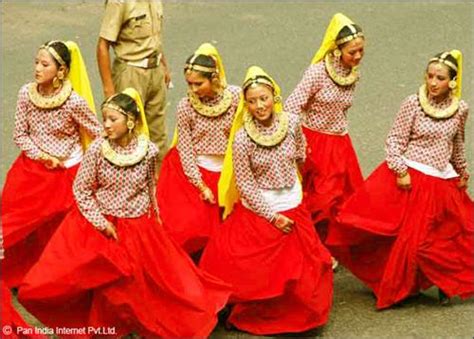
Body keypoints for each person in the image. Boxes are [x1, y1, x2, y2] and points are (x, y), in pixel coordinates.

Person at [18, 89, 231, 337]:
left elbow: (151, 187)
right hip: (100, 224)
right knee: (75, 279)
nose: (105, 125)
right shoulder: (98, 149)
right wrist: (101, 223)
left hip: (138, 226)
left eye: (112, 119)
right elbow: (82, 190)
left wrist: (156, 220)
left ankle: (131, 324)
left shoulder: (149, 151)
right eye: (104, 118)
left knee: (150, 282)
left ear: (130, 121)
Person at [326, 50, 474, 309]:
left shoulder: (460, 109)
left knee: (448, 235)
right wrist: (400, 170)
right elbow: (395, 140)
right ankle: (397, 283)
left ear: (452, 81)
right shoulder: (412, 103)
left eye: (440, 78)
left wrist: (462, 172)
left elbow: (457, 144)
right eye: (430, 76)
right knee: (405, 239)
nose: (433, 82)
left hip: (441, 179)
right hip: (411, 177)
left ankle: (443, 280)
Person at [200, 66, 333, 335]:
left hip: (292, 203)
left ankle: (296, 318)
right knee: (255, 270)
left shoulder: (293, 124)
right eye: (252, 101)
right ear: (245, 105)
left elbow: (300, 156)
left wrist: (291, 195)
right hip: (262, 209)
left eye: (264, 98)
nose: (259, 105)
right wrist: (272, 216)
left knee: (302, 269)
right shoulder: (241, 140)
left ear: (274, 96)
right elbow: (246, 184)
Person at [1, 40, 102, 288]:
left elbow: (98, 133)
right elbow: (20, 135)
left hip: (67, 173)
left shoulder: (74, 102)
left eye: (44, 64)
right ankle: (18, 272)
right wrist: (42, 156)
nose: (37, 68)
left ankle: (52, 279)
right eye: (36, 62)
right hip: (33, 170)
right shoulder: (27, 93)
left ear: (61, 71)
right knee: (13, 220)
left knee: (60, 232)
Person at [284, 13, 365, 261]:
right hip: (316, 142)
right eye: (353, 52)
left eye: (361, 50)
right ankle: (312, 248)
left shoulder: (352, 74)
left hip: (341, 142)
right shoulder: (317, 73)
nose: (358, 56)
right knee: (321, 200)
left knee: (348, 200)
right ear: (338, 50)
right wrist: (298, 143)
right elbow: (292, 107)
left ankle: (334, 248)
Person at [156, 43, 241, 254]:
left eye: (198, 84)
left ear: (214, 78)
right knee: (187, 227)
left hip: (230, 170)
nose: (193, 90)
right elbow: (185, 149)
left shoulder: (237, 97)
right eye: (189, 84)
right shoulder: (186, 106)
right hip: (196, 171)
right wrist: (201, 185)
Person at [97, 0, 171, 168]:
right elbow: (103, 45)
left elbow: (155, 38)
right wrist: (109, 92)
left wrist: (164, 66)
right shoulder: (119, 3)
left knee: (158, 136)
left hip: (155, 70)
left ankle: (157, 187)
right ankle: (125, 183)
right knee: (127, 134)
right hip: (130, 72)